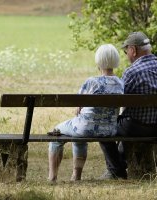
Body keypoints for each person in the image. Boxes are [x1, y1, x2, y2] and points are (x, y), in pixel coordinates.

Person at [99, 31, 157, 180]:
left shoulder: (131, 72)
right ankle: (119, 166)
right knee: (124, 124)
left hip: (135, 127)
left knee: (103, 127)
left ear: (133, 50)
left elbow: (118, 99)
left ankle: (116, 170)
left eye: (127, 51)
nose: (127, 54)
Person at [48, 44, 124, 182]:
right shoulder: (121, 83)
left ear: (98, 61)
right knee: (78, 132)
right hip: (109, 131)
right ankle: (76, 176)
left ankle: (52, 177)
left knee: (57, 132)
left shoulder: (91, 82)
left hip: (85, 128)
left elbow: (78, 106)